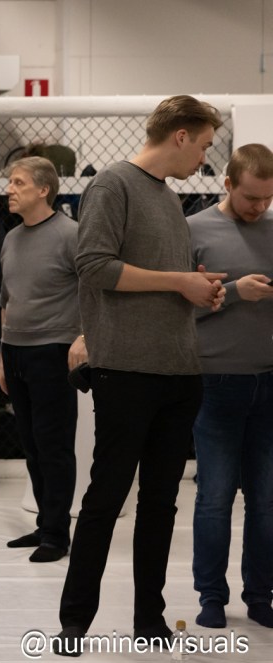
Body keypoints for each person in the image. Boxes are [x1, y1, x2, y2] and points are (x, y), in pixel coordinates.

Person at [53, 95, 226, 655]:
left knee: (160, 503)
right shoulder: (113, 185)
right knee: (106, 497)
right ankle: (75, 622)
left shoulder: (167, 196)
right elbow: (94, 266)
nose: (204, 157)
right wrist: (179, 282)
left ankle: (148, 619)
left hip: (178, 368)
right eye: (203, 144)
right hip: (127, 370)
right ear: (180, 135)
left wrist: (197, 286)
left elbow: (158, 276)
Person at [187, 143, 273, 630]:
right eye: (250, 198)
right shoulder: (194, 230)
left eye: (268, 199)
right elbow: (176, 308)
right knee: (215, 497)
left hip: (269, 381)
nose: (259, 207)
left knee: (266, 500)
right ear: (227, 185)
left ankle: (260, 596)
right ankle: (211, 597)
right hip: (216, 381)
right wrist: (237, 292)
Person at [0, 156, 85, 562]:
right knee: (31, 445)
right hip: (15, 351)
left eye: (18, 183)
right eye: (10, 182)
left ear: (44, 189)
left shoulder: (71, 234)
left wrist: (84, 338)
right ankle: (45, 523)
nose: (9, 189)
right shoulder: (11, 238)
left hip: (53, 351)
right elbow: (6, 301)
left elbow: (95, 292)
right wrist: (2, 357)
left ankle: (57, 535)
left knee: (54, 445)